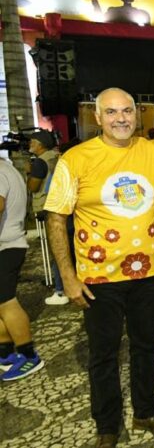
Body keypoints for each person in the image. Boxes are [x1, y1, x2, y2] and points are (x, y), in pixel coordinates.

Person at [44, 88, 154, 448]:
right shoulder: (76, 159)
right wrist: (68, 277)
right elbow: (55, 217)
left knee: (146, 346)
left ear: (137, 115)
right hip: (97, 278)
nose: (120, 118)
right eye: (112, 112)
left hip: (149, 273)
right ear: (98, 117)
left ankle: (145, 412)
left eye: (127, 111)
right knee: (103, 354)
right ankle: (107, 426)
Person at [0, 160, 45, 381]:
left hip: (6, 246)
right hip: (9, 243)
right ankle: (6, 353)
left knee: (6, 301)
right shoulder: (8, 168)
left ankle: (29, 355)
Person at [26, 131, 68, 305]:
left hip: (46, 207)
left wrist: (28, 173)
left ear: (40, 144)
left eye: (32, 142)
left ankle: (59, 288)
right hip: (60, 204)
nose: (30, 145)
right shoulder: (55, 157)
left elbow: (34, 187)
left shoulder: (39, 163)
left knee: (55, 248)